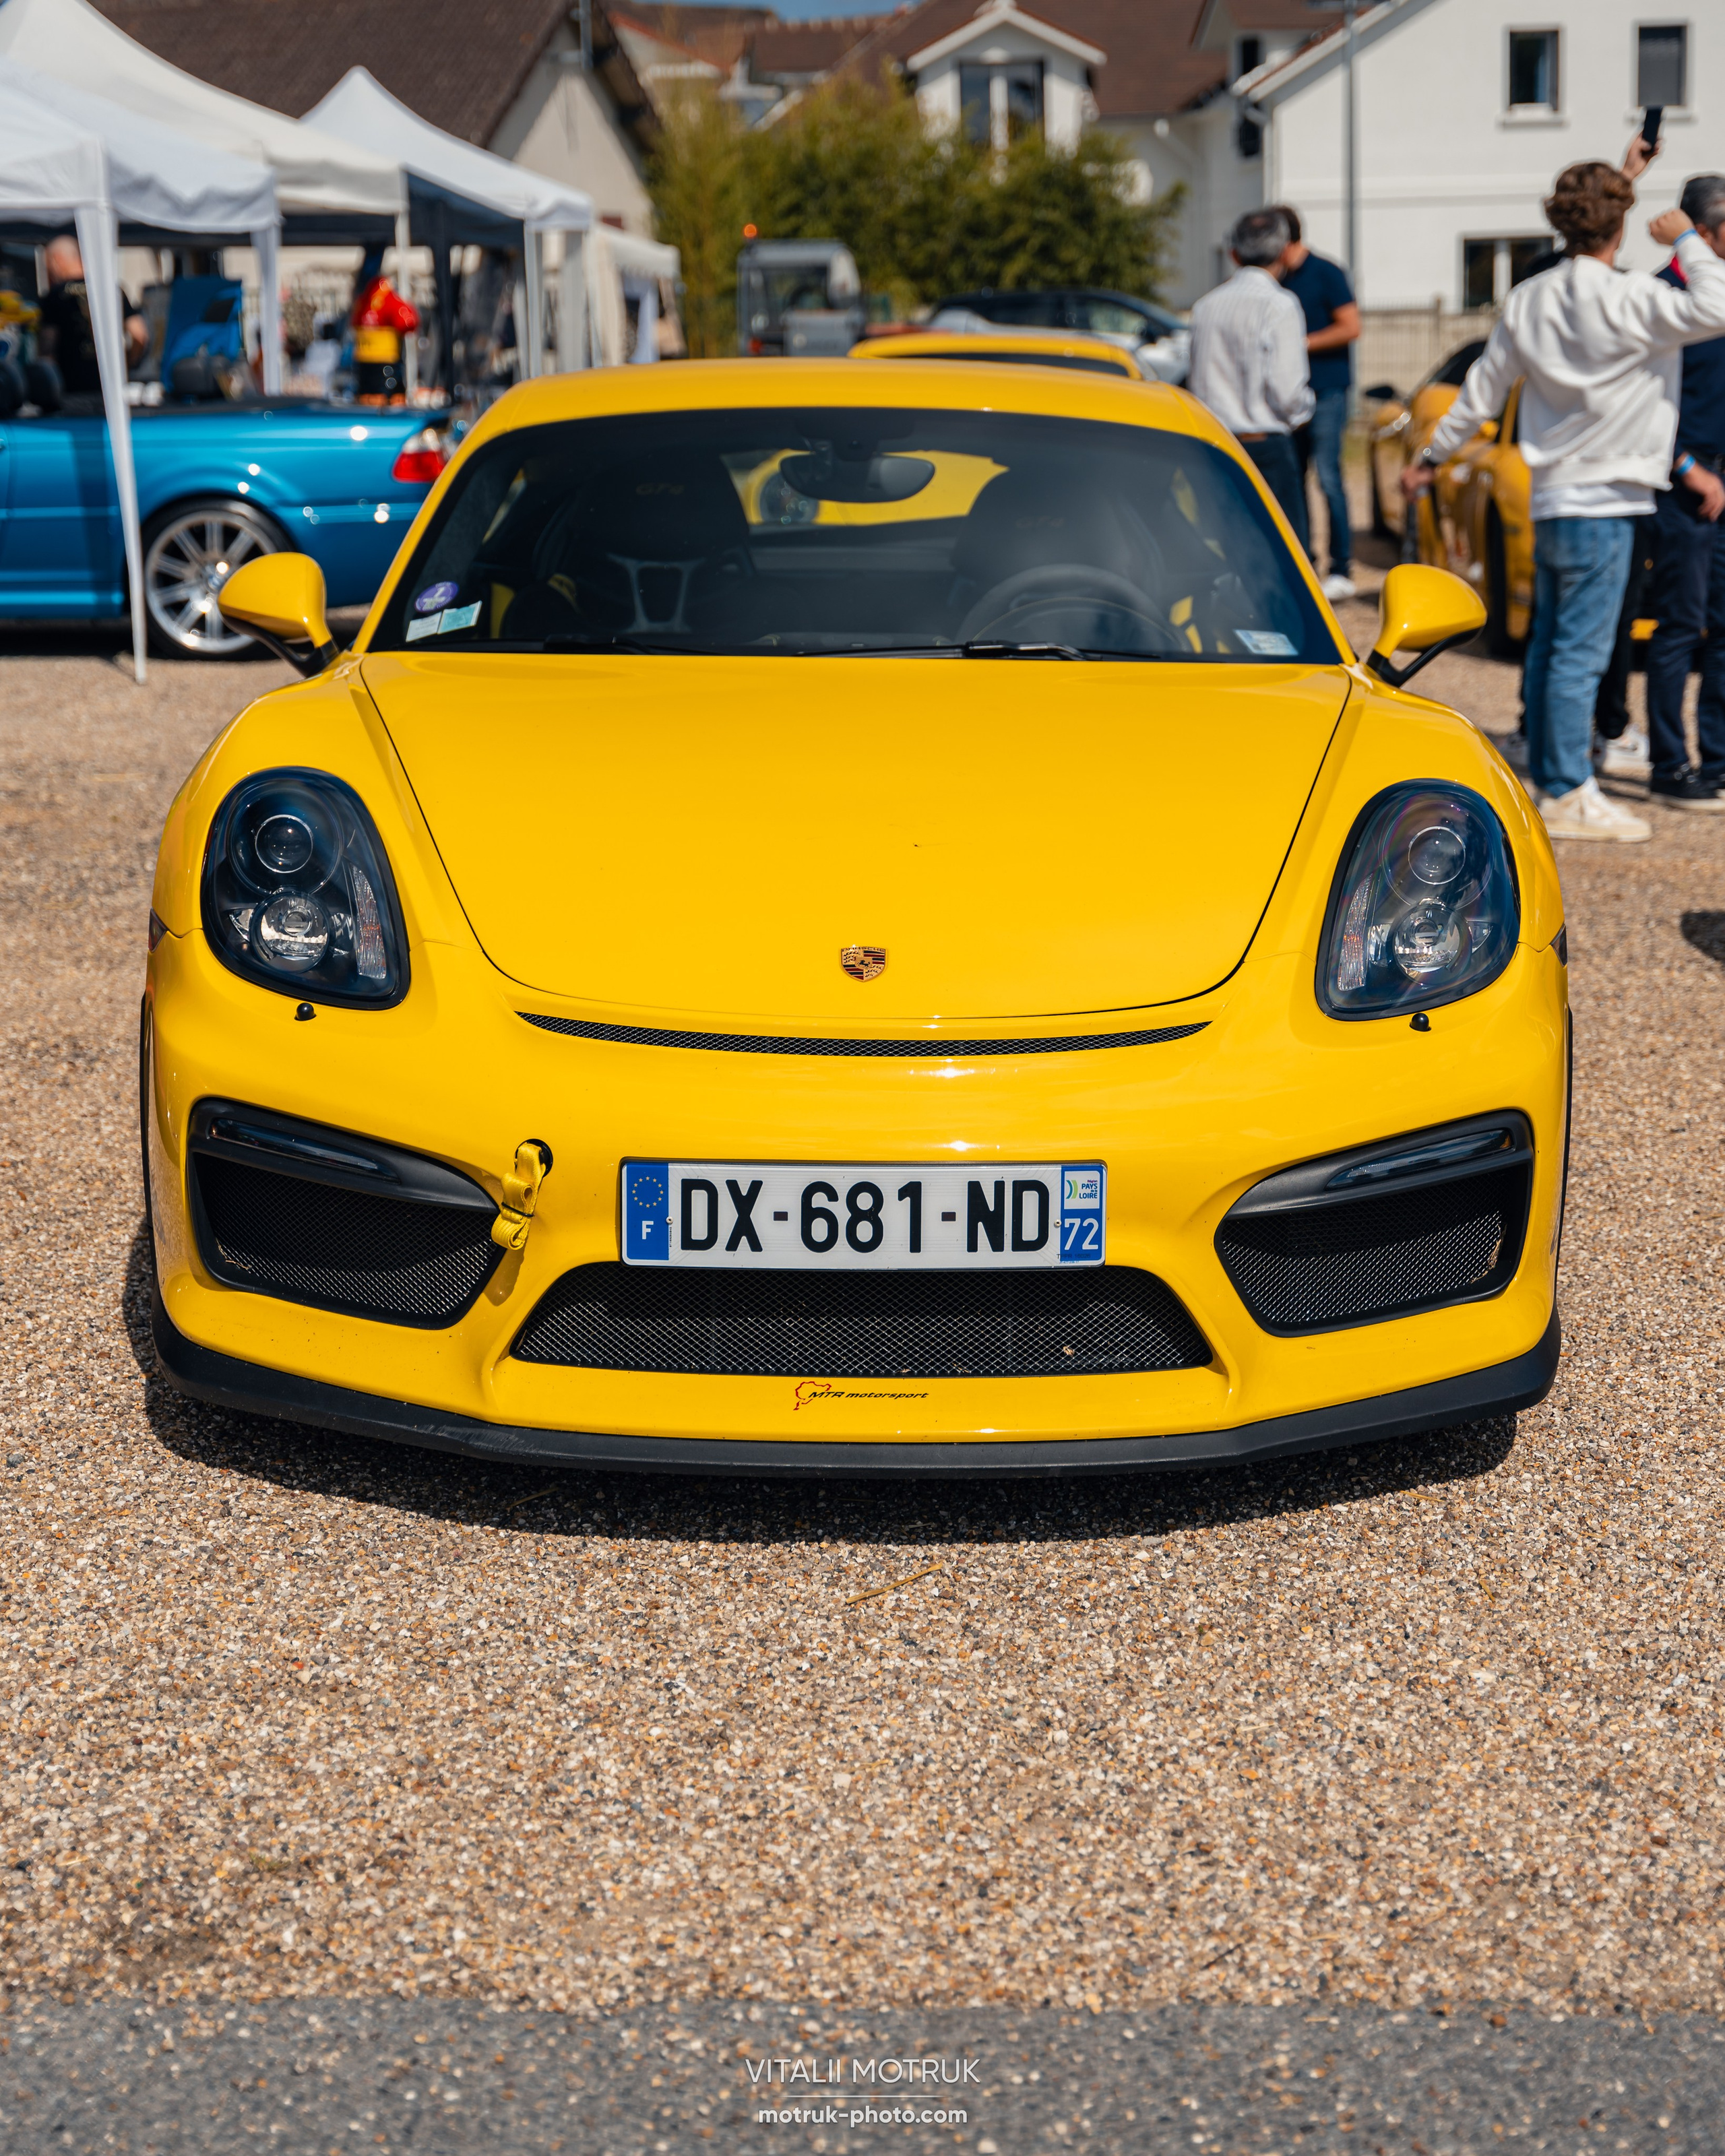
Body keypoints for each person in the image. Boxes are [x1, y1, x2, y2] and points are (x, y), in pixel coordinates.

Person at [1405, 140, 1725, 844]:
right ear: (1619, 226)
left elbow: (1478, 395)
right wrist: (1689, 241)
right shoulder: (1637, 298)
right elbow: (1718, 302)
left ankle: (1556, 775)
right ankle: (1565, 789)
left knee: (1553, 646)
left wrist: (1429, 455)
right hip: (1609, 499)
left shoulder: (1529, 297)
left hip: (1552, 497)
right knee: (1577, 651)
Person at [1643, 174, 1725, 807]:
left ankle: (1718, 762)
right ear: (1704, 232)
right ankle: (1670, 766)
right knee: (1680, 627)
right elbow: (1644, 399)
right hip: (1685, 485)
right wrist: (1687, 465)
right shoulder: (1663, 298)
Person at [1189, 208, 1314, 548]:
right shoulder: (1280, 304)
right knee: (1284, 554)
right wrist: (1305, 413)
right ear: (1283, 252)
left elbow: (1197, 379)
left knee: (1226, 549)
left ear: (1234, 253)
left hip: (1215, 445)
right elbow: (1288, 391)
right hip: (1266, 445)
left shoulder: (1205, 306)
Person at [1274, 205, 1360, 602]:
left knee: (1328, 477)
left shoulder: (1327, 272)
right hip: (1290, 395)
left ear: (1288, 240)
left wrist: (1301, 344)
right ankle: (1305, 564)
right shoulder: (1277, 279)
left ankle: (1341, 568)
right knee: (1294, 481)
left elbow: (1350, 326)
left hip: (1327, 392)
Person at [34, 234, 146, 395]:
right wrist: (127, 366)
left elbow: (48, 346)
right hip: (110, 389)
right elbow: (139, 334)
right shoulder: (112, 288)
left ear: (57, 260)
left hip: (71, 388)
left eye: (49, 267)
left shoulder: (55, 295)